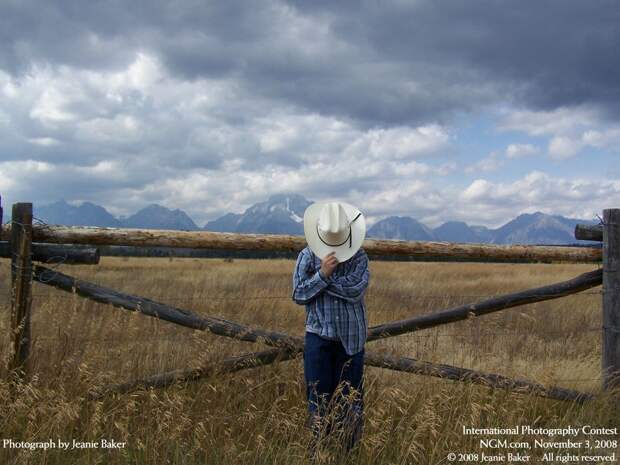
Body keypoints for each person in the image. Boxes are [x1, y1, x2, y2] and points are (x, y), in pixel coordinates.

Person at [292, 200, 369, 459]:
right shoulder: (306, 255)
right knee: (317, 401)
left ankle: (349, 453)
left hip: (351, 341)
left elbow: (354, 290)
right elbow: (299, 294)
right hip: (318, 338)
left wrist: (322, 278)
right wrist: (323, 275)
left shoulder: (359, 257)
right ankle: (318, 453)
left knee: (351, 403)